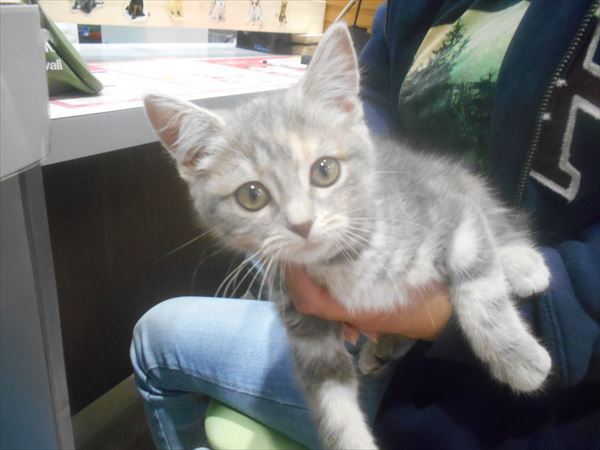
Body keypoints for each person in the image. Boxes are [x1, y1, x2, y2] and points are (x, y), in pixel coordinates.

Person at [130, 1, 600, 449]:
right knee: (280, 310)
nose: (301, 219)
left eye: (322, 171)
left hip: (494, 398)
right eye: (254, 195)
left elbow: (460, 219)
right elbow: (372, 96)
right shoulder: (408, 10)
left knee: (156, 340)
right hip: (362, 257)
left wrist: (473, 318)